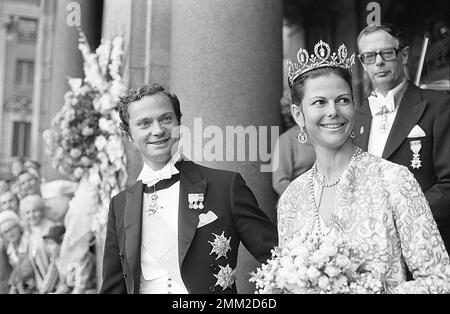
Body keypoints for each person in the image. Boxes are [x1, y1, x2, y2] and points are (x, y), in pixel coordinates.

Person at [277, 40, 450, 293]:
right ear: (298, 114)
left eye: (343, 100)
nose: (333, 111)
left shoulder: (394, 180)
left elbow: (440, 281)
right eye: (319, 102)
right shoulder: (292, 199)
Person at [100, 83, 277, 294]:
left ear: (179, 124)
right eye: (144, 123)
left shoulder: (225, 186)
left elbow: (278, 259)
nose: (157, 130)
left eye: (166, 119)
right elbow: (113, 288)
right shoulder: (120, 205)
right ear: (129, 135)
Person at [354, 23, 450, 252]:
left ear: (404, 55)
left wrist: (400, 219)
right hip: (371, 249)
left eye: (386, 53)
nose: (378, 62)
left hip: (425, 245)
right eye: (369, 56)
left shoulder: (439, 105)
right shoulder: (357, 116)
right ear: (362, 63)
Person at [43, 225, 96, 294]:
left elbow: (80, 288)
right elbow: (65, 285)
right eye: (46, 244)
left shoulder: (81, 256)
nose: (47, 248)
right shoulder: (57, 258)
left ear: (62, 243)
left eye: (51, 243)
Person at [20, 194, 56, 293]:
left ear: (42, 211)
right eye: (27, 212)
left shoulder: (51, 229)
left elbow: (55, 263)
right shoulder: (31, 233)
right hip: (41, 288)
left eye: (35, 211)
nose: (31, 215)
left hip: (54, 287)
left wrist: (45, 288)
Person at [271, 124, 316, 197]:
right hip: (298, 201)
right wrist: (305, 198)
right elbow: (280, 183)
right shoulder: (286, 139)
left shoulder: (326, 136)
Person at [0, 210, 35, 294]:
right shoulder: (11, 248)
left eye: (12, 228)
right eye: (5, 232)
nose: (10, 234)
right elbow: (16, 269)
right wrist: (13, 286)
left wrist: (14, 286)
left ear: (19, 227)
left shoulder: (30, 242)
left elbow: (25, 270)